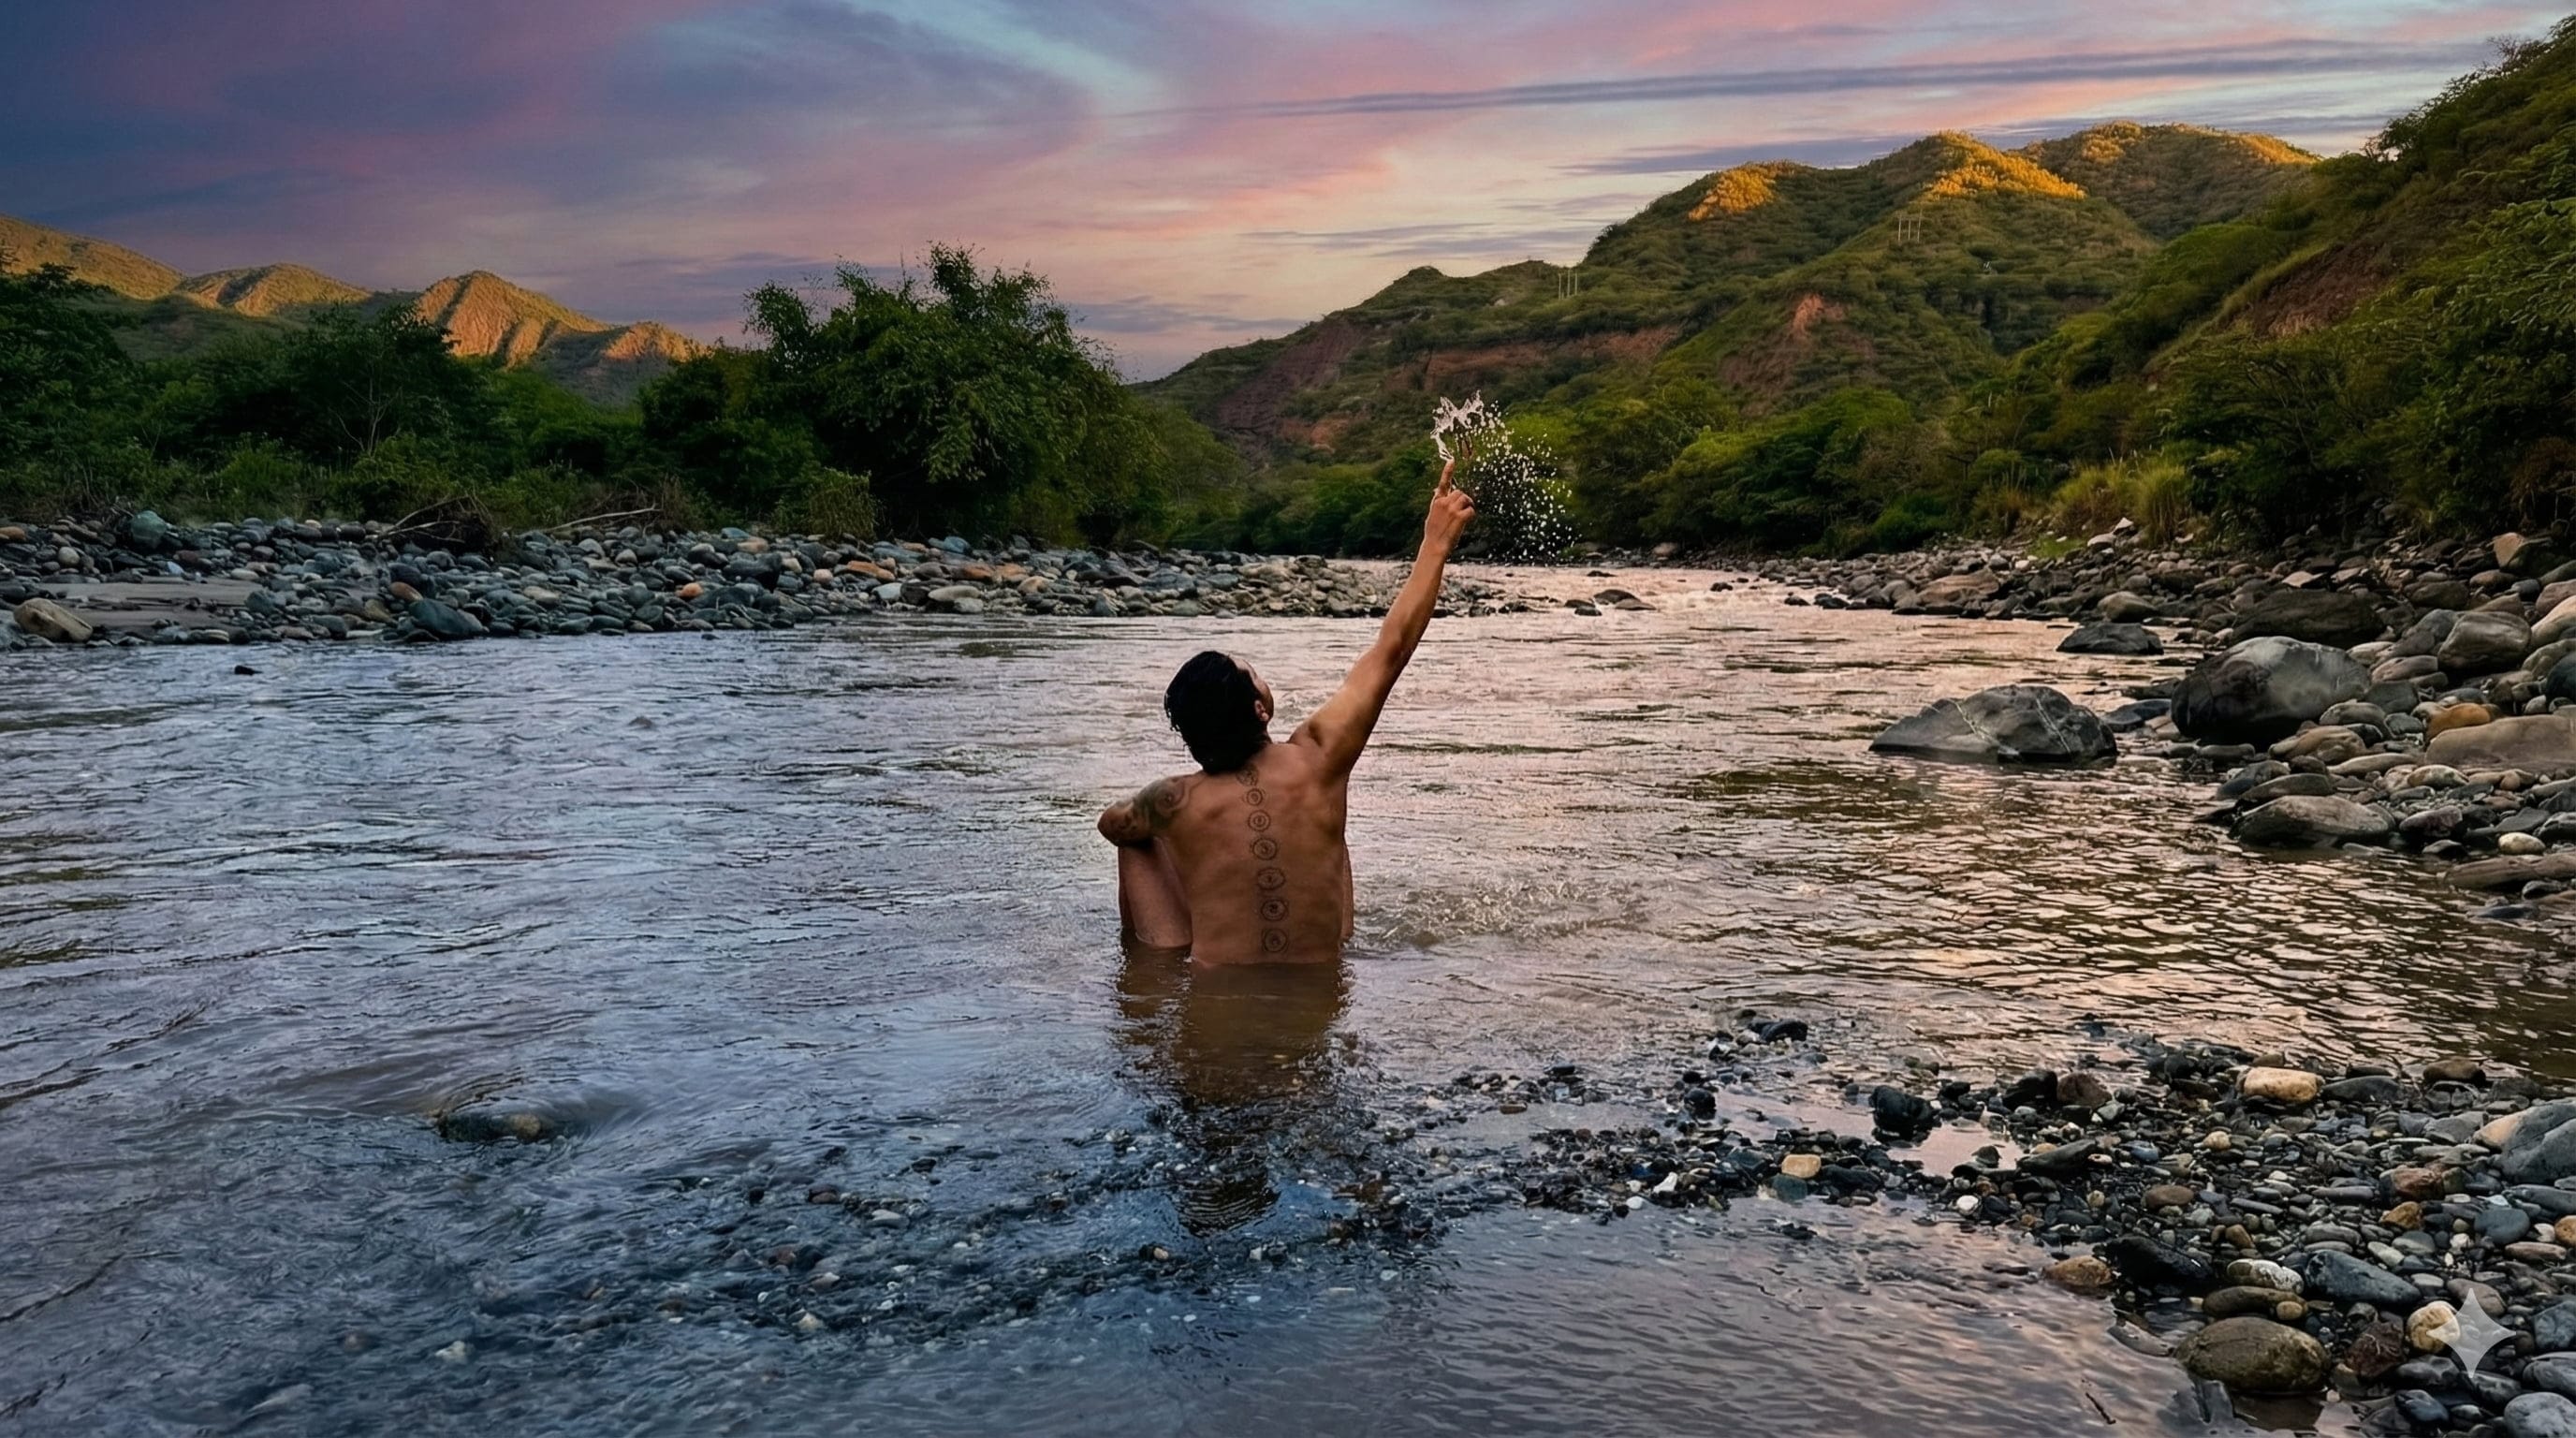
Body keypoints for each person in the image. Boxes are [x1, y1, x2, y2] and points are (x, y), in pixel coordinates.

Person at [1098, 446, 1476, 962]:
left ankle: (1149, 971)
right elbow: (1393, 649)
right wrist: (1435, 543)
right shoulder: (1319, 760)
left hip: (1216, 1021)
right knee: (1330, 828)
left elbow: (1110, 823)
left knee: (1136, 839)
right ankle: (1330, 941)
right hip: (1319, 1004)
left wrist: (1168, 832)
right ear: (1259, 710)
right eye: (1252, 674)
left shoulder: (1172, 801)